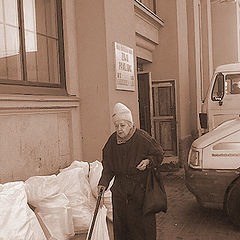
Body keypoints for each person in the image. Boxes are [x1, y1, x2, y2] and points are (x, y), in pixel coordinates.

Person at [98, 102, 164, 240]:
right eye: (116, 126)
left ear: (130, 124)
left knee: (140, 228)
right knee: (122, 228)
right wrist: (103, 183)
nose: (119, 130)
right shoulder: (112, 141)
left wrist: (148, 161)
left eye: (122, 125)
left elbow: (158, 154)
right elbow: (108, 166)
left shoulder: (142, 138)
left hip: (139, 191)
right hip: (120, 191)